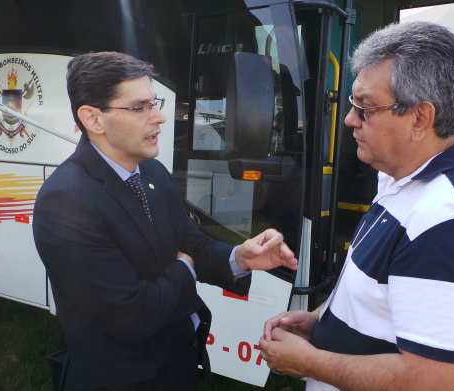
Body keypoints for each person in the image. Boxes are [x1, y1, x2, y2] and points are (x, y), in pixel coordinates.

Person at [259, 21, 454, 391]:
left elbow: (432, 382)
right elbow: (382, 294)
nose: (349, 119)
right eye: (353, 103)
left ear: (420, 118)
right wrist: (320, 321)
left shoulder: (446, 223)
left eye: (366, 108)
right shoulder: (399, 179)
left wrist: (309, 361)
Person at [32, 51, 297, 391]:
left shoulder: (152, 171)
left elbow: (188, 241)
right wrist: (185, 268)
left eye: (154, 103)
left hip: (176, 367)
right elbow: (132, 315)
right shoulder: (65, 201)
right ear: (93, 119)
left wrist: (238, 258)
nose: (160, 117)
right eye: (140, 107)